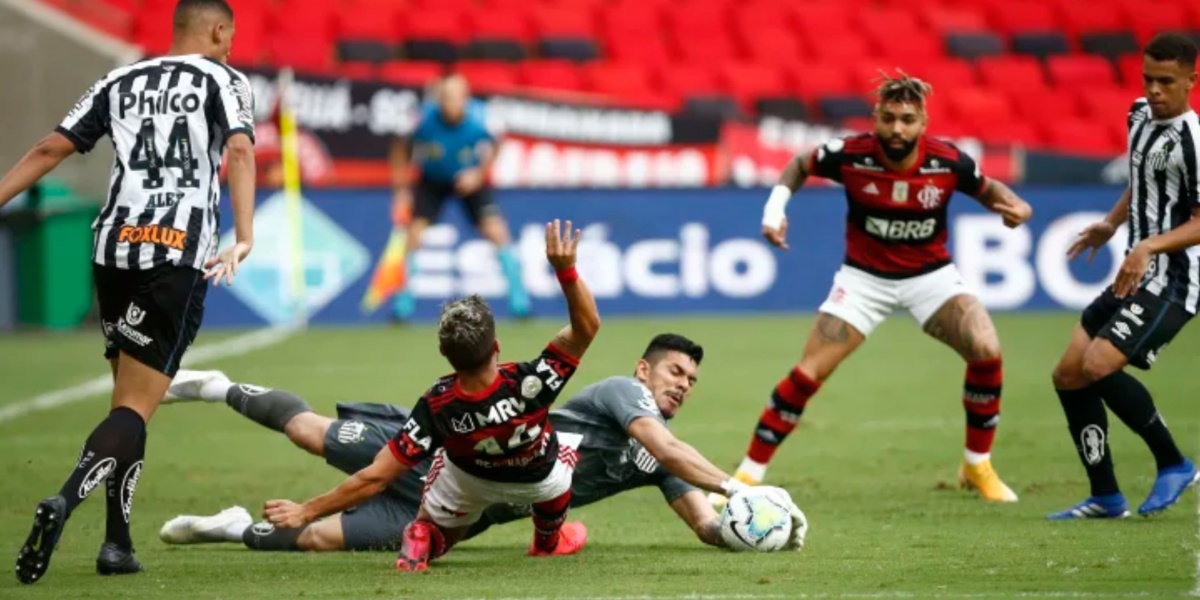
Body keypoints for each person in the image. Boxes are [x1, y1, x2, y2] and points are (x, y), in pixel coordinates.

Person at [0, 0, 256, 583]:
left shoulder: (119, 78)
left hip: (112, 251)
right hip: (175, 253)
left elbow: (50, 147)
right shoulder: (225, 79)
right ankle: (64, 500)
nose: (231, 46)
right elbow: (239, 150)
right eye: (230, 36)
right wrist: (244, 237)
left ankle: (116, 545)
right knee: (136, 407)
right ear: (218, 31)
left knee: (126, 399)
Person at [155, 334, 806, 553]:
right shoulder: (621, 397)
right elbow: (664, 447)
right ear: (644, 371)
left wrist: (760, 525)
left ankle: (232, 528)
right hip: (445, 448)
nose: (682, 385)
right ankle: (218, 387)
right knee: (310, 432)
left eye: (691, 380)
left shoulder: (664, 460)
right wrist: (739, 485)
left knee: (323, 540)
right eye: (674, 372)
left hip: (459, 511)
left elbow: (704, 524)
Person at [718, 71, 1035, 508]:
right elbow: (798, 164)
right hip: (864, 280)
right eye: (889, 118)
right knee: (808, 373)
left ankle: (976, 465)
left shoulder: (947, 162)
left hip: (931, 277)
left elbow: (987, 188)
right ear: (876, 118)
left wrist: (1015, 205)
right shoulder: (851, 155)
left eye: (907, 119)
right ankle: (748, 477)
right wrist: (775, 210)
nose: (897, 129)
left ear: (923, 122)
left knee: (986, 349)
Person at [239, 220, 593, 572]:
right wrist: (566, 271)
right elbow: (586, 327)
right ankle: (547, 541)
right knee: (563, 460)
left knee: (443, 505)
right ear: (496, 347)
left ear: (446, 356)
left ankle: (423, 534)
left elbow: (376, 477)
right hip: (536, 478)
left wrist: (306, 511)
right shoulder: (532, 380)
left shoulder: (436, 404)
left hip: (466, 482)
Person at [1047, 33, 1200, 520]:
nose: (1154, 90)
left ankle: (1175, 463)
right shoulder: (1137, 115)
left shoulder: (1194, 141)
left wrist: (1150, 245)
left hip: (1177, 280)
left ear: (1191, 82)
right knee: (1069, 373)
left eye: (1166, 82)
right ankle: (1106, 496)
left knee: (1098, 365)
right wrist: (1111, 224)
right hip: (1137, 273)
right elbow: (1143, 180)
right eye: (1148, 79)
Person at [388, 74, 529, 322]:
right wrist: (401, 189)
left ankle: (520, 302)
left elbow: (498, 144)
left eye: (455, 98)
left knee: (497, 231)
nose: (449, 104)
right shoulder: (422, 118)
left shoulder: (483, 117)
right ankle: (403, 306)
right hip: (432, 180)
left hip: (468, 179)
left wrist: (479, 174)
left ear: (466, 99)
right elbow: (400, 147)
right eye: (445, 98)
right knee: (413, 234)